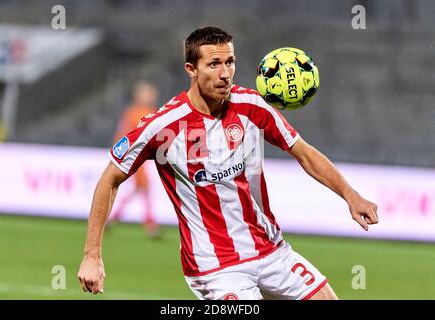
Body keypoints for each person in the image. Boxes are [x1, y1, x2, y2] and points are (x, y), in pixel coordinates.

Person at [78, 26, 378, 300]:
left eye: (230, 62)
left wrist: (350, 195)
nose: (225, 73)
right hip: (217, 269)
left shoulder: (252, 106)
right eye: (214, 64)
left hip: (272, 251)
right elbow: (110, 178)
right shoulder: (164, 126)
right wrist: (92, 255)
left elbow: (304, 152)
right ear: (191, 69)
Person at [107, 81, 160, 238]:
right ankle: (150, 225)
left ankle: (113, 218)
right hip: (133, 156)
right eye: (147, 93)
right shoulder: (132, 113)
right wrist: (121, 153)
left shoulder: (154, 112)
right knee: (144, 187)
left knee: (140, 189)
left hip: (143, 157)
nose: (150, 96)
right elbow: (124, 134)